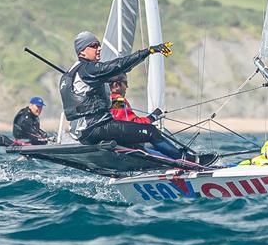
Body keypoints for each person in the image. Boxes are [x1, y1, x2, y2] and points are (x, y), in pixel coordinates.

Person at [60, 31, 208, 162]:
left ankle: (158, 162)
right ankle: (189, 160)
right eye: (93, 46)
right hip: (96, 127)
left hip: (84, 132)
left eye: (99, 45)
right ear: (82, 52)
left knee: (135, 142)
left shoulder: (70, 74)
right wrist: (148, 51)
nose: (98, 49)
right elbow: (118, 66)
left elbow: (117, 71)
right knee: (151, 131)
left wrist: (122, 72)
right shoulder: (89, 69)